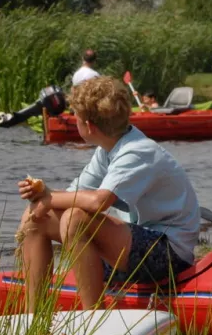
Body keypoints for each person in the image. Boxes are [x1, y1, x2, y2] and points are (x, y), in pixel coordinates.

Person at [16, 76, 200, 310]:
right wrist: (41, 196)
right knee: (35, 218)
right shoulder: (108, 149)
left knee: (75, 219)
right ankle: (35, 317)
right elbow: (75, 193)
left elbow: (98, 201)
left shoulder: (138, 151)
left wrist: (50, 197)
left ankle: (93, 317)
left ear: (89, 126)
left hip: (170, 255)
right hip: (132, 247)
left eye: (76, 117)